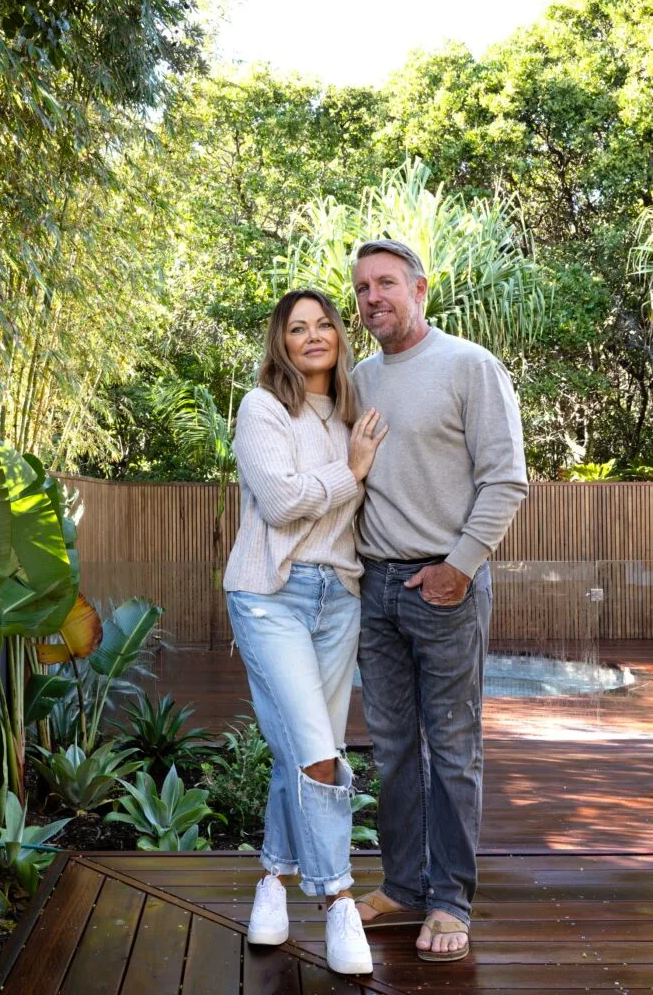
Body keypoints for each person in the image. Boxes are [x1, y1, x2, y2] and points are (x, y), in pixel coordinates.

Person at [350, 239, 528, 962]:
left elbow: (506, 479)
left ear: (421, 289)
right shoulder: (356, 379)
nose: (372, 298)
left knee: (452, 748)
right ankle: (402, 886)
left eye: (386, 283)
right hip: (374, 586)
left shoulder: (469, 366)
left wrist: (459, 567)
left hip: (444, 585)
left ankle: (450, 899)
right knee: (391, 747)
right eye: (361, 288)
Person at [224, 288, 387, 975]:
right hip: (270, 597)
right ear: (281, 341)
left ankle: (272, 881)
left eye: (325, 324)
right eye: (299, 327)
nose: (314, 335)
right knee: (319, 751)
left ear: (338, 337)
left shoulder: (351, 411)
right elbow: (285, 501)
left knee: (302, 748)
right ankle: (338, 899)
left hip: (337, 599)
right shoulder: (263, 407)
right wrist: (350, 471)